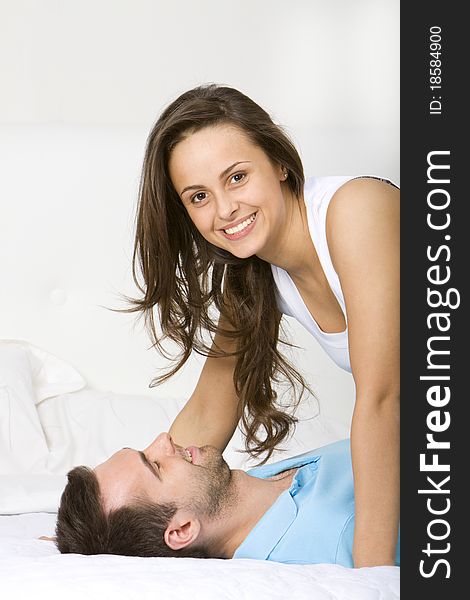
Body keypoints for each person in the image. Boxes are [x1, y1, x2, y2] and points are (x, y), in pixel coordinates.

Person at [124, 83, 400, 567]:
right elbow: (210, 409)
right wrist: (115, 527)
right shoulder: (253, 276)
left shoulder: (354, 209)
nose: (224, 210)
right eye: (198, 196)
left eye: (236, 177)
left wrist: (370, 578)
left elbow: (385, 398)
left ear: (279, 163)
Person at [55, 432, 400, 566]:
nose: (164, 438)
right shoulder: (341, 532)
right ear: (182, 529)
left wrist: (89, 539)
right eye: (156, 465)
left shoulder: (257, 489)